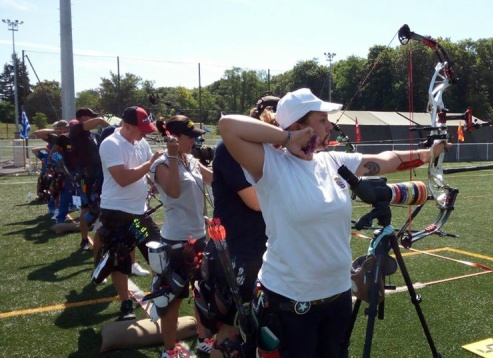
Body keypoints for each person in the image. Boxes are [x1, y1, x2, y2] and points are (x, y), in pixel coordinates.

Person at [218, 88, 449, 357]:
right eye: (322, 120)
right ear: (298, 125)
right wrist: (287, 138)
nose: (330, 126)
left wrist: (428, 153)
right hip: (289, 301)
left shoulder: (334, 161)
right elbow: (228, 127)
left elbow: (386, 160)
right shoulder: (271, 164)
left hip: (337, 294)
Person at [206, 94, 278, 356]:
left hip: (263, 247)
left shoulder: (269, 151)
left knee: (259, 327)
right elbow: (256, 201)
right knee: (231, 329)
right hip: (238, 249)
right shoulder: (229, 149)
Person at [149, 115, 214, 358]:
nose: (195, 140)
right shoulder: (162, 163)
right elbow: (174, 192)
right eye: (191, 136)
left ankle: (204, 337)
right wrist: (174, 155)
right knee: (172, 300)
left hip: (199, 239)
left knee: (201, 293)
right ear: (174, 138)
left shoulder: (193, 161)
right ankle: (169, 350)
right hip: (175, 242)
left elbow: (213, 179)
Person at [97, 105, 163, 321]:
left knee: (157, 253)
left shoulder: (141, 142)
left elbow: (146, 172)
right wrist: (150, 163)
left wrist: (154, 182)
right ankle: (126, 303)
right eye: (141, 129)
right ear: (126, 126)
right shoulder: (110, 144)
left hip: (138, 213)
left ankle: (160, 298)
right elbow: (123, 179)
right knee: (120, 259)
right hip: (116, 212)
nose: (145, 134)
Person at [70, 108, 110, 251]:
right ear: (81, 118)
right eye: (90, 117)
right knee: (86, 209)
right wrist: (112, 127)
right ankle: (84, 240)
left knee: (102, 207)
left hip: (99, 176)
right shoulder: (75, 130)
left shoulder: (94, 136)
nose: (93, 119)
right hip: (86, 177)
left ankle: (103, 238)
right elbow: (99, 121)